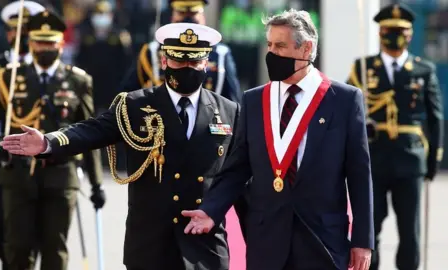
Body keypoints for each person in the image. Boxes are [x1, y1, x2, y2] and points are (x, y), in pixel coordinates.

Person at [1, 22, 247, 270]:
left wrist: (226, 216)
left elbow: (239, 174)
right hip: (151, 245)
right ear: (164, 62)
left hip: (203, 246)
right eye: (179, 61)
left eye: (195, 62)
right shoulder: (135, 105)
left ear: (207, 63)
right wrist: (48, 141)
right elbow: (93, 130)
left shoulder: (228, 111)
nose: (187, 68)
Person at [181, 9, 374, 270]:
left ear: (306, 49)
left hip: (322, 241)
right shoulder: (254, 100)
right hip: (267, 240)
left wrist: (362, 241)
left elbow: (360, 175)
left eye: (280, 46)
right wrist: (210, 210)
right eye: (270, 45)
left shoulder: (344, 100)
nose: (272, 53)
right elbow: (238, 167)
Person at [0, 10, 105, 270]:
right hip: (18, 174)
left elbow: (90, 132)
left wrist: (97, 183)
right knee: (18, 249)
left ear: (60, 43)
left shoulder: (78, 80)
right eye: (39, 42)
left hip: (61, 174)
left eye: (50, 42)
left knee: (55, 250)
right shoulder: (9, 77)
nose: (45, 48)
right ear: (30, 43)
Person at [346, 4, 443, 270]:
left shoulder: (424, 70)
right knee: (370, 228)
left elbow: (435, 119)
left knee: (410, 230)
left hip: (410, 159)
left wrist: (432, 161)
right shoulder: (364, 68)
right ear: (380, 33)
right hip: (373, 160)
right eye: (389, 30)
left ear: (410, 35)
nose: (394, 35)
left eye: (400, 31)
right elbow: (346, 112)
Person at [0, 2, 44, 269]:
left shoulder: (45, 67)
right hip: (3, 157)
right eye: (14, 31)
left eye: (26, 31)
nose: (20, 37)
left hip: (37, 158)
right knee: (0, 227)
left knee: (35, 228)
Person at [119, 0, 242, 103]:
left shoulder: (220, 54)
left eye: (193, 13)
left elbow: (232, 101)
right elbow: (127, 96)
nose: (187, 18)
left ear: (202, 16)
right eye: (181, 12)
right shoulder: (151, 52)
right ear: (173, 15)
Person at [74, 0, 133, 113]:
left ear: (111, 15)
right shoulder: (86, 37)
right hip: (92, 86)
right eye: (98, 14)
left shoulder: (119, 37)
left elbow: (126, 63)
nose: (101, 18)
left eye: (104, 14)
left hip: (113, 86)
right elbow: (80, 61)